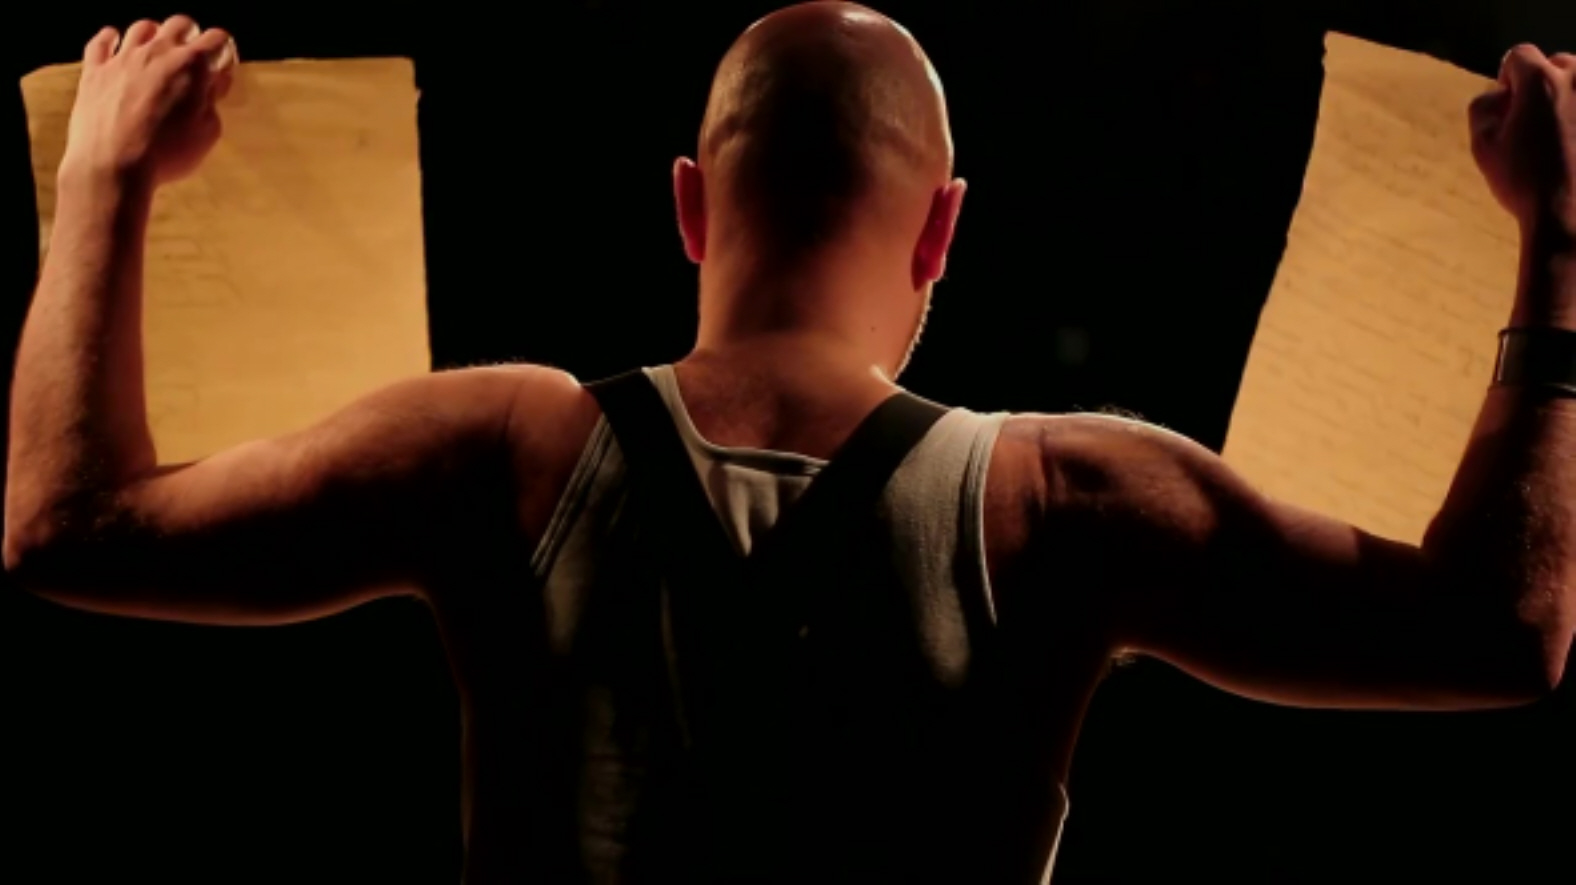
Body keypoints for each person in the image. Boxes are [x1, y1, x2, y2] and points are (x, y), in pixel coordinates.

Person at [5, 4, 1573, 883]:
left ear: (690, 205)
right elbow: (1501, 630)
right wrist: (1558, 241)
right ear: (942, 231)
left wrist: (104, 180)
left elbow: (68, 521)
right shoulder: (1063, 503)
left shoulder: (499, 452)